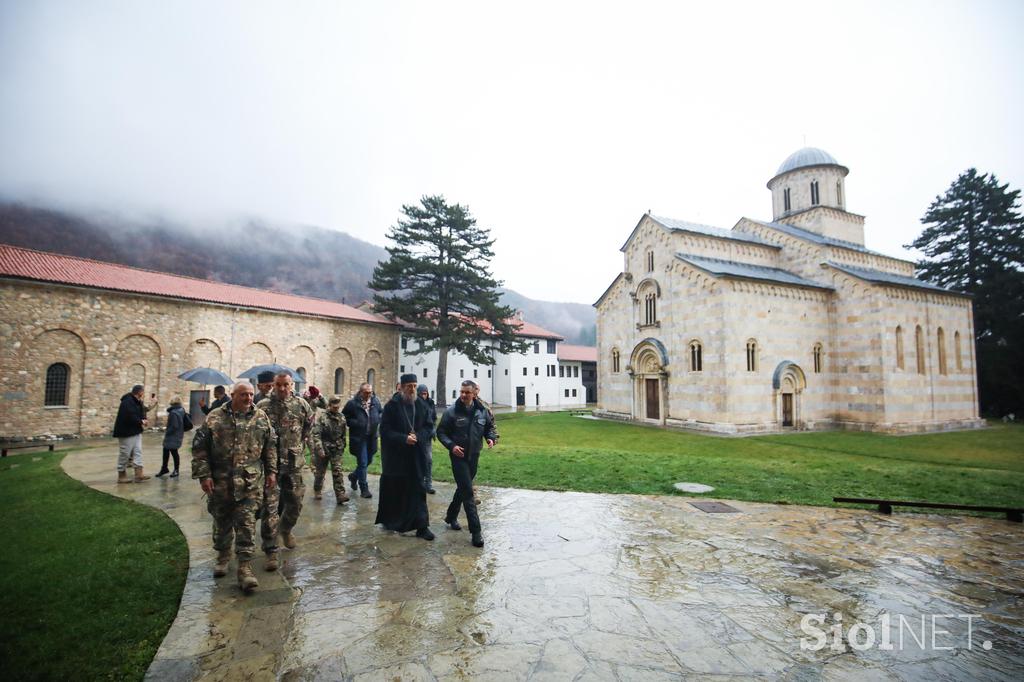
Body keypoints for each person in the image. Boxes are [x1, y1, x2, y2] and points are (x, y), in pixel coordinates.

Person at [191, 381, 277, 593]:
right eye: (243, 395)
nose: (248, 399)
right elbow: (200, 449)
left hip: (250, 484)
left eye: (250, 395)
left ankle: (245, 568)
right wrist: (204, 476)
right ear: (232, 395)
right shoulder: (215, 417)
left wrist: (272, 472)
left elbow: (270, 446)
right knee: (222, 523)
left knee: (247, 525)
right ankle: (222, 556)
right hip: (221, 482)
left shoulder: (261, 417)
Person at [257, 371, 312, 571]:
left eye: (286, 385)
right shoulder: (262, 407)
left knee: (295, 503)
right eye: (278, 385)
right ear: (273, 385)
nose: (282, 388)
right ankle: (271, 550)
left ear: (292, 385)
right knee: (270, 508)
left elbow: (308, 427)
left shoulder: (301, 405)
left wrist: (300, 447)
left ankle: (286, 529)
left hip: (293, 464)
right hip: (270, 467)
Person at [436, 380, 498, 548]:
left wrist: (491, 438)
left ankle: (450, 516)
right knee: (468, 492)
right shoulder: (451, 412)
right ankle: (476, 532)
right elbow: (440, 432)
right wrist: (452, 446)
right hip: (458, 457)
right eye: (461, 392)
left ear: (474, 394)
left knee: (462, 488)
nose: (463, 395)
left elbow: (489, 428)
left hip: (474, 456)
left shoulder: (482, 411)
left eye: (467, 392)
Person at [375, 374, 435, 540]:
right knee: (396, 490)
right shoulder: (392, 406)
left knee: (418, 489)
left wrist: (418, 437)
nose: (412, 389)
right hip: (396, 457)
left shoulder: (422, 405)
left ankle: (422, 527)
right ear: (401, 387)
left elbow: (429, 427)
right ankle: (393, 522)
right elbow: (385, 431)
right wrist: (403, 438)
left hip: (415, 455)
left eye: (415, 386)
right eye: (409, 386)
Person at [342, 383, 382, 499]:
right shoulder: (353, 404)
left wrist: (378, 419)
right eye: (366, 392)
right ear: (360, 392)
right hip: (360, 438)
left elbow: (381, 412)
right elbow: (344, 417)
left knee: (369, 460)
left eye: (370, 392)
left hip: (372, 437)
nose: (369, 394)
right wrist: (356, 423)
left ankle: (354, 476)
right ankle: (364, 488)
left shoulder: (375, 402)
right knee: (363, 462)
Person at [311, 396, 350, 504]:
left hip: (336, 449)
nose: (336, 409)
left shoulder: (342, 417)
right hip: (324, 448)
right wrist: (320, 449)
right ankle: (317, 489)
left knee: (338, 471)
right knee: (320, 473)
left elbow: (343, 434)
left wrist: (342, 446)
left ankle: (340, 495)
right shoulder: (322, 418)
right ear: (329, 406)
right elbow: (316, 434)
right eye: (334, 407)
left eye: (338, 407)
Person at [113, 384, 150, 483]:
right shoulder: (127, 402)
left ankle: (139, 474)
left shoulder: (138, 402)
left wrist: (144, 420)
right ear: (139, 392)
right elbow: (129, 416)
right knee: (125, 453)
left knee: (138, 452)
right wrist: (141, 421)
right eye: (143, 391)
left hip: (136, 431)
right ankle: (121, 475)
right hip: (126, 432)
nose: (143, 393)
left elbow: (140, 413)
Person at [157, 396, 191, 477]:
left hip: (173, 436)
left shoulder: (174, 412)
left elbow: (174, 426)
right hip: (178, 434)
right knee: (166, 450)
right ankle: (164, 468)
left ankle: (176, 470)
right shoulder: (181, 410)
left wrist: (167, 432)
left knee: (174, 452)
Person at [417, 384, 437, 494]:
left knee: (428, 460)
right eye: (422, 394)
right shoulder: (416, 403)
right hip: (418, 436)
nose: (424, 396)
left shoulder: (430, 403)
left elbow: (433, 418)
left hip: (427, 436)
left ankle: (428, 484)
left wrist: (433, 429)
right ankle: (420, 483)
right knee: (419, 461)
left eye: (425, 394)